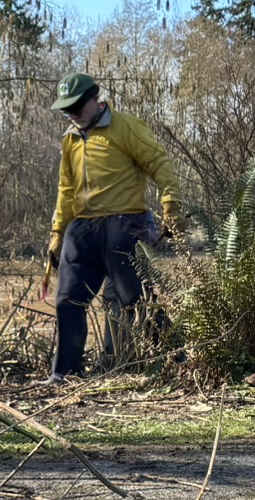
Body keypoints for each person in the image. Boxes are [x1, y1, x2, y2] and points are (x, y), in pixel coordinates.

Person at [46, 73, 180, 380]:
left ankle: (180, 359)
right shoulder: (70, 139)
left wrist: (171, 203)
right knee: (68, 299)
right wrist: (57, 232)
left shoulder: (126, 126)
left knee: (135, 299)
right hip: (81, 229)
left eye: (78, 106)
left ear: (95, 99)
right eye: (67, 108)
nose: (73, 113)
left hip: (124, 223)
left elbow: (158, 162)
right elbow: (66, 188)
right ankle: (66, 373)